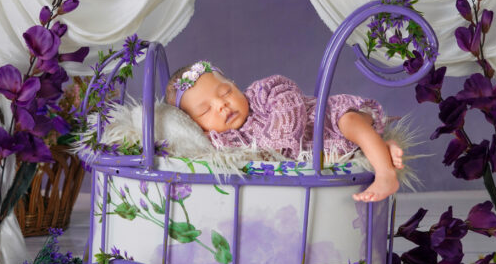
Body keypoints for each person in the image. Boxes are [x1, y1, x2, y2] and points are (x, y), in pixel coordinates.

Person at [165, 61, 403, 202]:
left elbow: (287, 100)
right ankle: (380, 147)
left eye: (225, 92)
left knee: (350, 121)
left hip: (327, 120)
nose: (221, 105)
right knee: (357, 147)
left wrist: (276, 148)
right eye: (205, 110)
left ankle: (385, 174)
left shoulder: (262, 94)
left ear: (236, 86)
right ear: (194, 124)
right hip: (325, 153)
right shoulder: (221, 141)